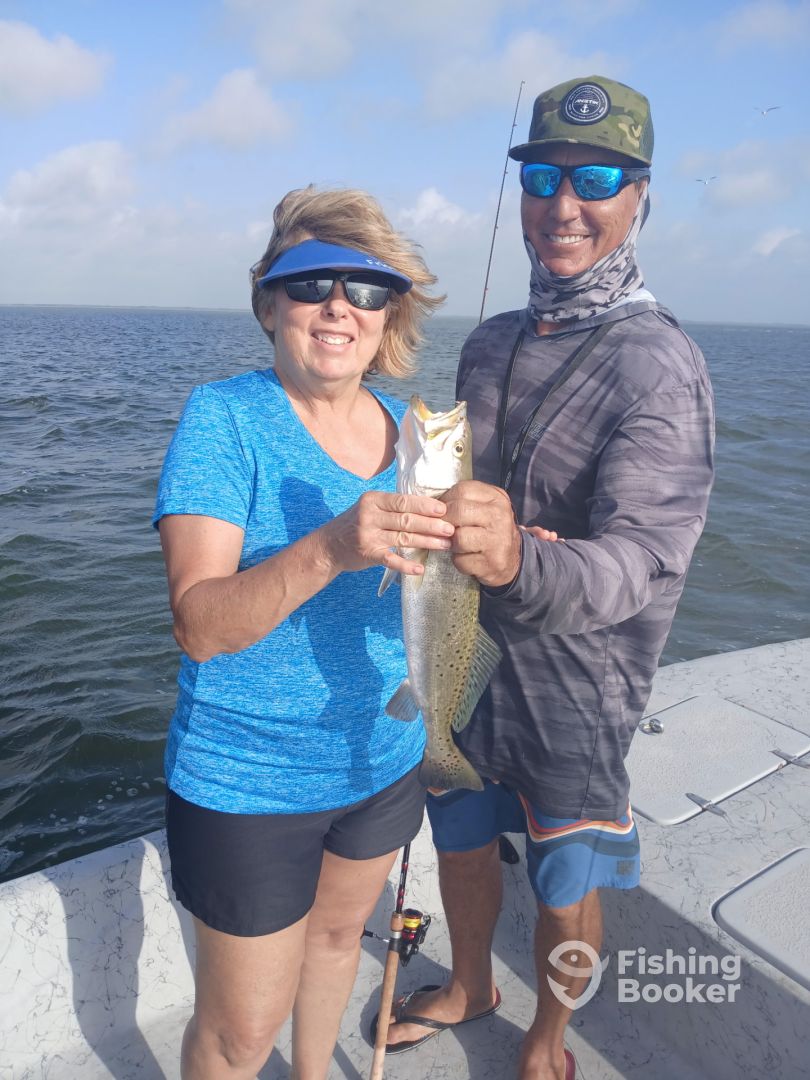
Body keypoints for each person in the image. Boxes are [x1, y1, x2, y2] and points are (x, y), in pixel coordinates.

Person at [378, 76, 715, 1080]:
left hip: (579, 684)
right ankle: (470, 983)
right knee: (461, 832)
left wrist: (523, 556)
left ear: (639, 195)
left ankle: (547, 1039)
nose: (565, 204)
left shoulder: (662, 366)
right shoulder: (491, 341)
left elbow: (643, 562)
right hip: (463, 649)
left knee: (568, 878)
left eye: (596, 179)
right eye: (543, 178)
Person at [152, 185, 447, 1080]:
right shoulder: (224, 418)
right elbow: (199, 625)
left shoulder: (413, 438)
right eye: (311, 282)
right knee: (240, 1036)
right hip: (249, 781)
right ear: (270, 303)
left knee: (336, 944)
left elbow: (439, 595)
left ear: (389, 315)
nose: (338, 306)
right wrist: (329, 547)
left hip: (383, 758)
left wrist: (500, 550)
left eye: (367, 289)